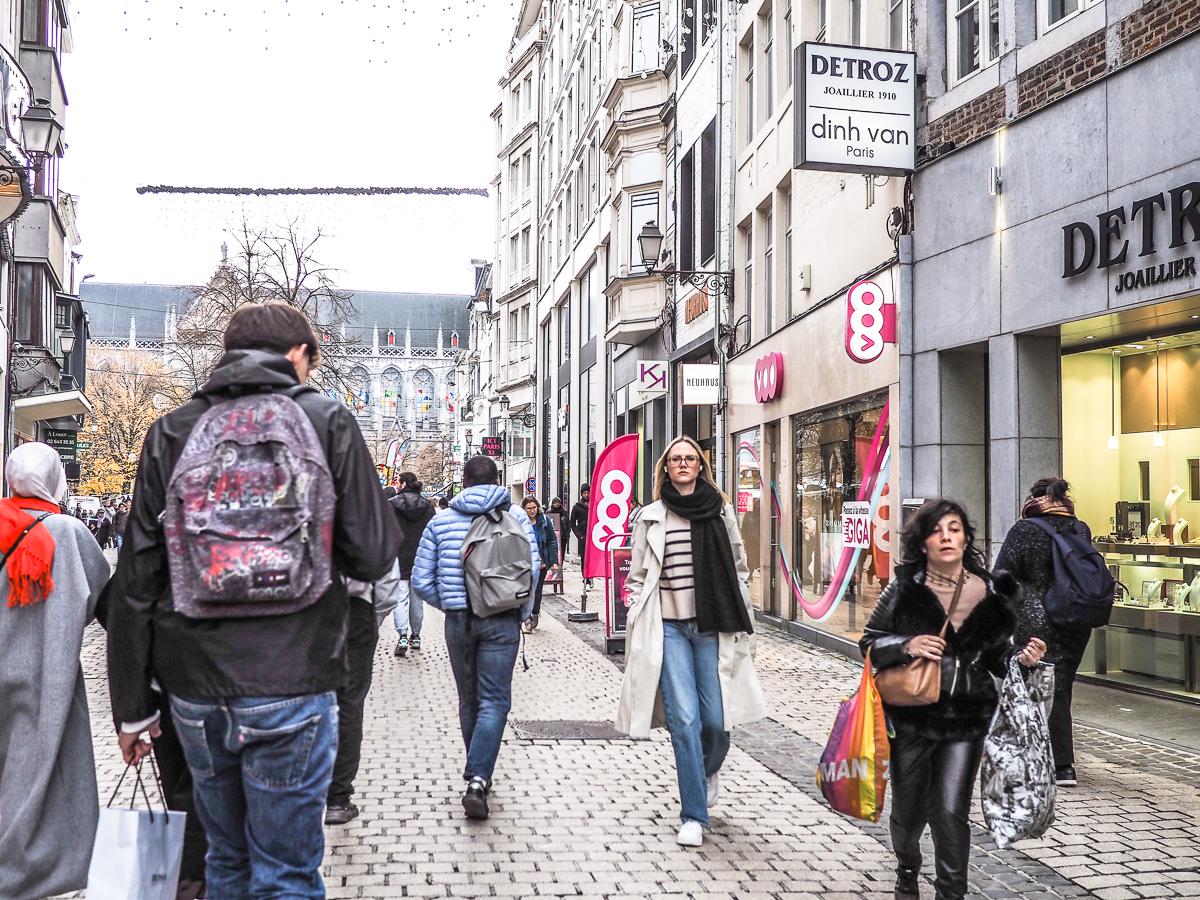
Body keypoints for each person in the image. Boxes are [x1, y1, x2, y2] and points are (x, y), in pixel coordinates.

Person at [106, 303, 400, 896]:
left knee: (226, 862)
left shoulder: (172, 431)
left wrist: (133, 709)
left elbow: (137, 581)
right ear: (297, 355)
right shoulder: (327, 421)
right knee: (287, 872)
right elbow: (374, 553)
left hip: (196, 689)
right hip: (296, 677)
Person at [860, 499, 1046, 900]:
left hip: (965, 719)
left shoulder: (991, 591)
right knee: (908, 818)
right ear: (923, 542)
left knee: (949, 812)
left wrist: (1023, 660)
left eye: (955, 528)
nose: (947, 536)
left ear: (966, 538)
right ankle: (907, 867)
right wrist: (906, 644)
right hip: (912, 718)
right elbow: (870, 642)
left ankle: (951, 893)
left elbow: (998, 657)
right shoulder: (904, 588)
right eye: (937, 530)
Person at [615, 436, 767, 847]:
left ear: (701, 466)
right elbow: (638, 575)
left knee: (717, 723)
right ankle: (694, 815)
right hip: (667, 628)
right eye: (676, 459)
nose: (683, 464)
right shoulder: (650, 516)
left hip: (711, 625)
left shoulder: (720, 511)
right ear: (666, 467)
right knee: (684, 721)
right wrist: (634, 605)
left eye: (691, 459)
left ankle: (706, 770)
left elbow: (738, 567)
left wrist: (747, 618)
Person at [0, 443, 110, 898]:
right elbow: (105, 599)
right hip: (48, 678)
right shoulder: (69, 532)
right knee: (39, 779)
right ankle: (30, 871)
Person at [411, 455, 539, 820]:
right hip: (501, 620)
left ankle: (477, 773)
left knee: (469, 699)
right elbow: (532, 570)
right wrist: (523, 611)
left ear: (463, 482)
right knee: (495, 701)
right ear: (497, 480)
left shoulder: (442, 521)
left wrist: (450, 603)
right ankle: (479, 777)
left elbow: (421, 581)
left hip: (459, 622)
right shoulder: (516, 519)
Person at [995, 477, 1094, 787]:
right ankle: (1057, 762)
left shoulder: (1024, 530)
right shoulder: (1080, 528)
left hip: (1036, 618)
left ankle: (1057, 764)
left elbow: (1002, 576)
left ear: (1034, 500)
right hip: (1076, 620)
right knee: (1061, 686)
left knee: (1035, 686)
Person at [326, 559, 401, 825]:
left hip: (304, 609)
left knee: (305, 698)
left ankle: (305, 791)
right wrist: (372, 614)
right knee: (349, 704)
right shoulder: (364, 516)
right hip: (356, 608)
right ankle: (337, 797)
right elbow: (387, 581)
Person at [389, 471, 434, 656]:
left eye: (398, 482)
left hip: (398, 557)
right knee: (417, 600)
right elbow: (432, 533)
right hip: (420, 558)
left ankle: (402, 635)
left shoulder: (391, 505)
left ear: (403, 483)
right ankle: (415, 636)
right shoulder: (427, 506)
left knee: (400, 598)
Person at [521, 495, 559, 633]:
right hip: (524, 563)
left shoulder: (544, 521)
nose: (532, 511)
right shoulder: (520, 522)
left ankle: (534, 614)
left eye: (534, 508)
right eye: (529, 508)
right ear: (524, 509)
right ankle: (526, 620)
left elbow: (552, 541)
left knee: (536, 591)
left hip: (541, 562)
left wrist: (554, 561)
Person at [570, 483, 590, 571]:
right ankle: (585, 575)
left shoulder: (594, 504)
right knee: (584, 556)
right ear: (581, 494)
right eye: (584, 493)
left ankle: (592, 574)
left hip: (593, 534)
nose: (586, 495)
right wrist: (579, 536)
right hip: (583, 534)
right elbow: (572, 523)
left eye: (588, 493)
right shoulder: (577, 507)